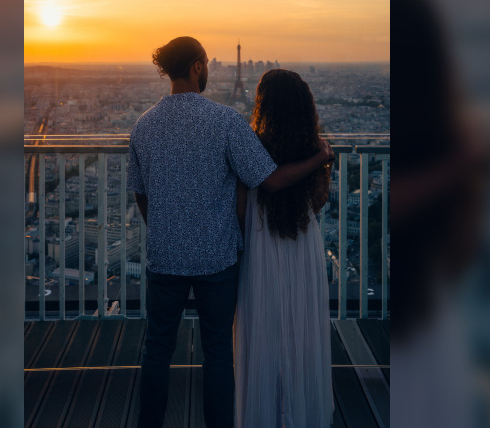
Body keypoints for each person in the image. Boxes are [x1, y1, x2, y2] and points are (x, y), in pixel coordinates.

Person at [127, 37, 333, 428]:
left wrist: (165, 229)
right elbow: (269, 181)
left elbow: (141, 193)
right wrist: (321, 156)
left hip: (165, 256)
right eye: (206, 63)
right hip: (216, 259)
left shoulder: (143, 126)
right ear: (198, 67)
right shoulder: (225, 121)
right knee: (218, 353)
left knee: (156, 349)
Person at [234, 69, 335, 427]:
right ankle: (300, 410)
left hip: (263, 244)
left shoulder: (251, 144)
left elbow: (242, 205)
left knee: (265, 329)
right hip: (303, 242)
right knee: (300, 328)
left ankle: (265, 411)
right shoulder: (315, 147)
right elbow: (319, 202)